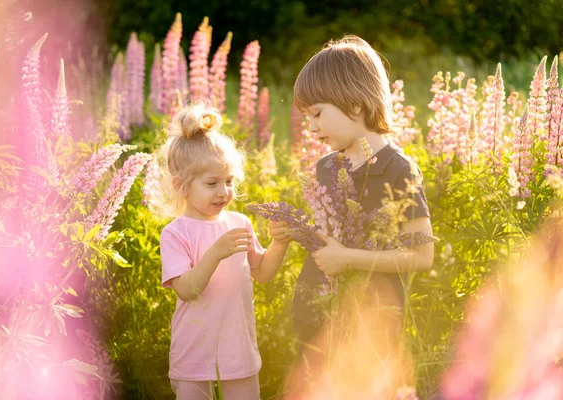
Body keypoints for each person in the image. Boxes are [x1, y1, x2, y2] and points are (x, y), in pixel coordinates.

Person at [291, 35, 434, 352]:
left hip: (370, 323)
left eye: (317, 114)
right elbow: (326, 235)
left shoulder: (400, 171)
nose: (311, 128)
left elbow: (422, 257)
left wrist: (347, 259)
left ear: (354, 103)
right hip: (318, 319)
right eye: (306, 117)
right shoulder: (325, 167)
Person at [157, 103, 292, 400]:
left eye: (229, 181)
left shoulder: (239, 222)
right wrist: (215, 253)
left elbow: (263, 273)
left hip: (237, 351)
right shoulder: (176, 233)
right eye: (212, 183)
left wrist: (279, 244)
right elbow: (187, 290)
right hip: (194, 354)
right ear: (182, 186)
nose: (224, 192)